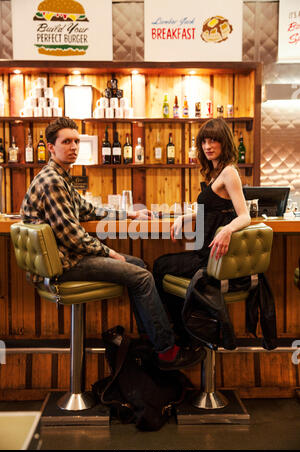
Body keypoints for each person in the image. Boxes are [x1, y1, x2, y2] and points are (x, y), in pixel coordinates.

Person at [20, 117, 205, 370]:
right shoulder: (52, 181)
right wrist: (110, 253)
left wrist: (128, 214)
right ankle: (166, 352)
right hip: (63, 264)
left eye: (76, 141)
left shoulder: (59, 177)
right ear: (51, 147)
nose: (73, 146)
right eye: (66, 142)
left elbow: (89, 210)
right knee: (141, 276)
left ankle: (152, 341)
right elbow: (73, 237)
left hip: (64, 258)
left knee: (140, 265)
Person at [153, 118, 251, 340]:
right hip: (206, 254)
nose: (208, 146)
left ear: (224, 142)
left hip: (210, 258)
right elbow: (216, 210)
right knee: (161, 266)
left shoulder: (229, 172)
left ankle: (179, 331)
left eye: (213, 141)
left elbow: (244, 215)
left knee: (159, 267)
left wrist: (227, 230)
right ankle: (182, 328)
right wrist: (187, 217)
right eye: (204, 142)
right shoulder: (217, 173)